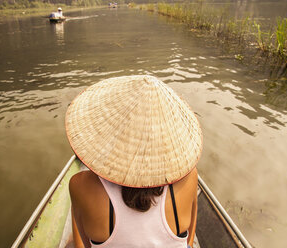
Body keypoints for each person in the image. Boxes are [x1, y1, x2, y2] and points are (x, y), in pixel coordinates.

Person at [66, 75, 203, 248]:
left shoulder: (80, 185)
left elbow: (85, 246)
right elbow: (189, 235)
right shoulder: (190, 177)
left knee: (72, 240)